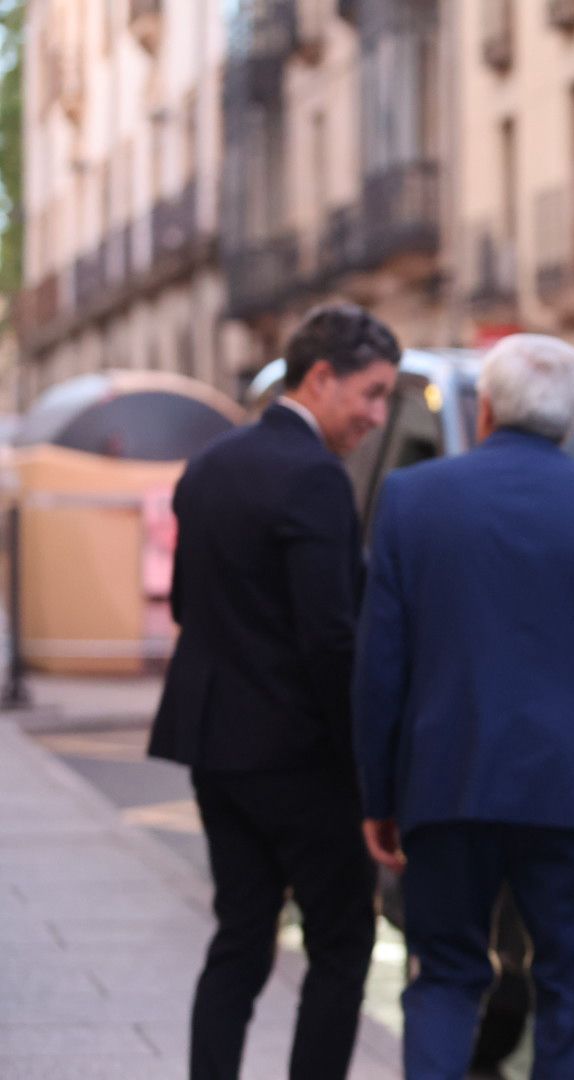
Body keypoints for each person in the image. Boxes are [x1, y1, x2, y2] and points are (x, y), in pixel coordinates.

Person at [352, 334, 574, 1080]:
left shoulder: (413, 498)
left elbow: (381, 665)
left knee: (444, 978)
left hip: (445, 786)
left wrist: (379, 793)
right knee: (570, 993)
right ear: (572, 418)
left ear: (487, 409)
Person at [149, 303, 401, 1080]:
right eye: (371, 392)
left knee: (239, 938)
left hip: (214, 743)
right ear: (320, 377)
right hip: (300, 757)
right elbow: (330, 639)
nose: (376, 415)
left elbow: (188, 606)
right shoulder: (316, 479)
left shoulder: (210, 465)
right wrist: (365, 771)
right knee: (341, 943)